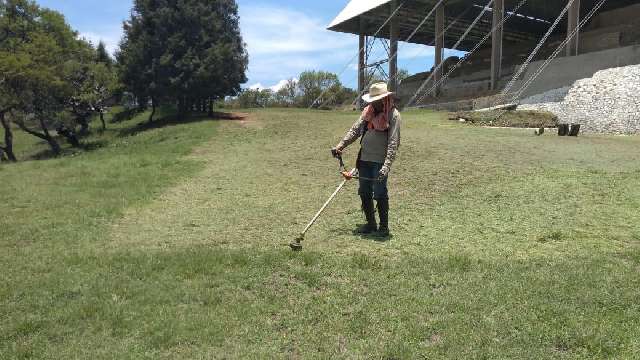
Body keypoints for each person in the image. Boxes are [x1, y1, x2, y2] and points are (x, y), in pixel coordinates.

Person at [332, 82, 401, 237]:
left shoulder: (393, 115)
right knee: (364, 191)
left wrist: (386, 166)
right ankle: (371, 224)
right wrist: (341, 145)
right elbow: (355, 130)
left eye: (377, 99)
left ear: (385, 98)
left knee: (380, 192)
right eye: (372, 100)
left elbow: (393, 142)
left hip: (379, 162)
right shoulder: (368, 112)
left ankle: (384, 227)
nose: (373, 102)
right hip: (364, 159)